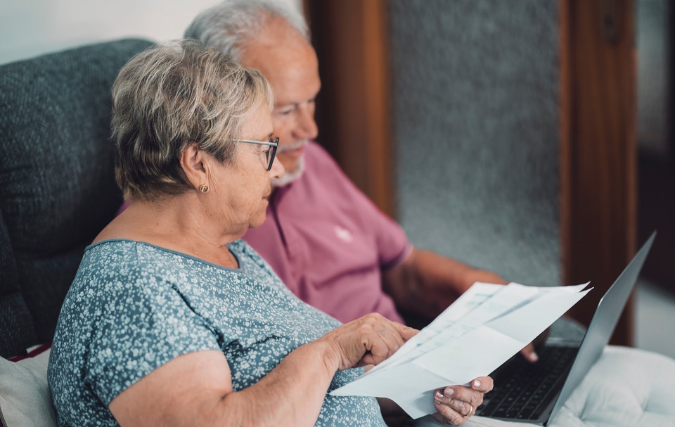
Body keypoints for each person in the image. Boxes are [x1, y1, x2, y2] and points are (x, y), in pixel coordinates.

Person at [47, 40, 491, 426]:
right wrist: (330, 350)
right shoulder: (131, 289)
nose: (277, 169)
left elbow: (316, 397)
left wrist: (422, 395)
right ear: (197, 162)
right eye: (265, 149)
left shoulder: (227, 253)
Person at [184, 0, 539, 362]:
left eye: (312, 101)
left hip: (416, 375)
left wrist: (477, 290)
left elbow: (403, 271)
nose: (310, 130)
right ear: (216, 106)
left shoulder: (312, 163)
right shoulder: (180, 222)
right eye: (286, 110)